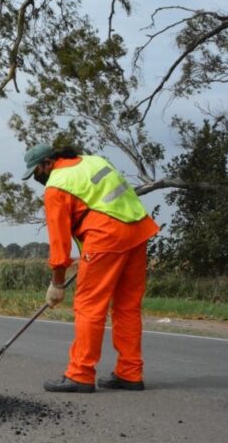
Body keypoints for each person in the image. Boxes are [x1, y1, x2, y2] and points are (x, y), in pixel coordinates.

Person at [22, 143, 159, 393]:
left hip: (106, 238)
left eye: (36, 172)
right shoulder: (93, 161)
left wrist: (57, 283)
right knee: (127, 307)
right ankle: (130, 373)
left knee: (88, 307)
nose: (37, 178)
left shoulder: (57, 186)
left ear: (47, 164)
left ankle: (80, 374)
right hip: (137, 231)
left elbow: (59, 245)